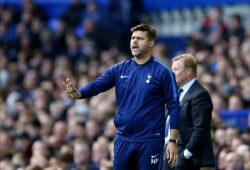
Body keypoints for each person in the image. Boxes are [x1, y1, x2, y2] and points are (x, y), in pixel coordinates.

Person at [63, 23, 180, 170]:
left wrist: (172, 140)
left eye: (140, 39)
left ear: (151, 43)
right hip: (123, 138)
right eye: (133, 38)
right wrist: (80, 93)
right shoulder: (119, 69)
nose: (134, 41)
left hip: (150, 140)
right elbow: (98, 84)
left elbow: (174, 106)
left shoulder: (163, 72)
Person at [163, 54, 214, 170]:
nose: (172, 73)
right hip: (168, 150)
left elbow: (201, 128)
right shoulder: (175, 93)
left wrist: (187, 153)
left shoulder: (200, 94)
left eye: (176, 69)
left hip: (186, 155)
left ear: (188, 71)